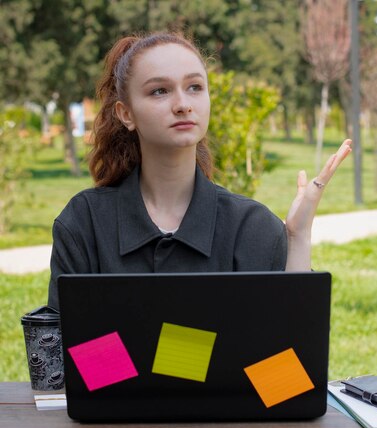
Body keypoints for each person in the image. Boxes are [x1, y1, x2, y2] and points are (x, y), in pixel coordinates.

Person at [47, 32, 351, 309]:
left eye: (194, 87)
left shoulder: (253, 228)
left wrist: (296, 239)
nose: (182, 104)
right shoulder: (84, 224)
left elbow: (287, 359)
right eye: (159, 91)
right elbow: (70, 346)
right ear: (126, 114)